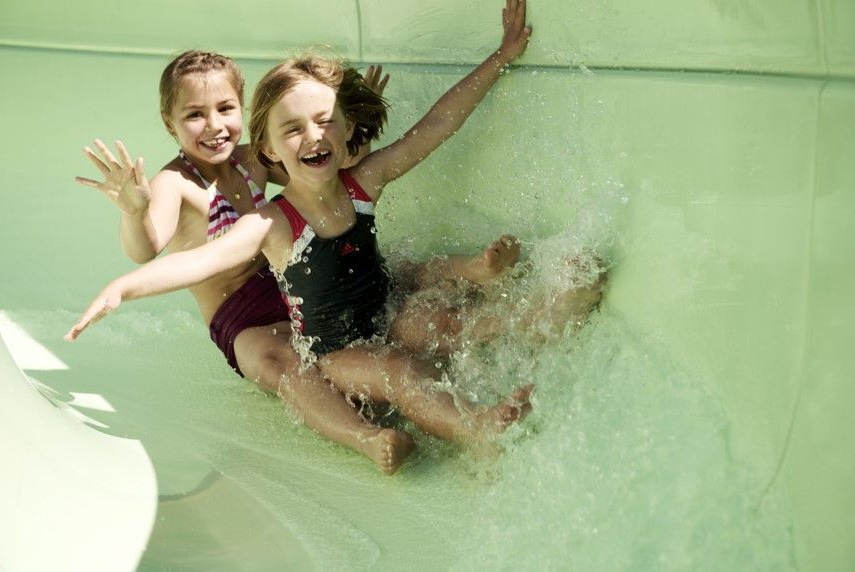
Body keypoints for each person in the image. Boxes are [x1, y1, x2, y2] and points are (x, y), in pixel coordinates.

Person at [69, 0, 593, 464]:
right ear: (170, 123)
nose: (214, 125)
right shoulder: (202, 194)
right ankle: (444, 431)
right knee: (366, 370)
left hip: (336, 297)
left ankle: (541, 319)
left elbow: (429, 129)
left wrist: (497, 58)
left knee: (437, 320)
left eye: (225, 109)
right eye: (194, 115)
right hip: (278, 327)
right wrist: (123, 275)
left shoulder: (272, 164)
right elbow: (173, 256)